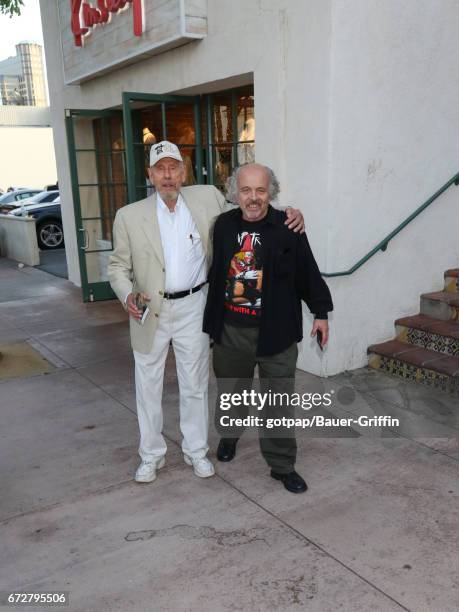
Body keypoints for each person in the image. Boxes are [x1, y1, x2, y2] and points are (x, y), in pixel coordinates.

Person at [107, 142, 304, 484]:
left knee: (195, 384)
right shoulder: (129, 215)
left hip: (194, 306)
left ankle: (196, 451)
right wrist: (127, 296)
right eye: (160, 169)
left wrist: (290, 212)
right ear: (150, 174)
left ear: (184, 173)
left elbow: (251, 205)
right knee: (148, 386)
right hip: (150, 310)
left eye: (174, 168)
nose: (168, 175)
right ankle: (151, 455)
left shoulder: (207, 197)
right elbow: (117, 266)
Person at [203, 163, 333, 494]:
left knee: (277, 402)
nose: (254, 197)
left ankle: (282, 465)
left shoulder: (288, 226)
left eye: (261, 190)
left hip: (276, 331)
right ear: (234, 193)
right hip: (231, 329)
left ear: (270, 192)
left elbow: (307, 271)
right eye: (246, 190)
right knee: (231, 393)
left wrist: (320, 312)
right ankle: (229, 438)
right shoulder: (222, 226)